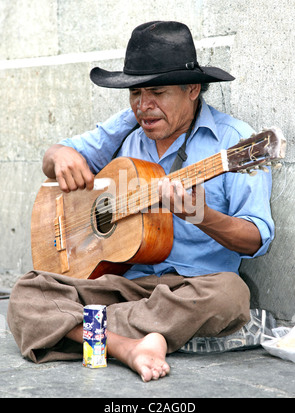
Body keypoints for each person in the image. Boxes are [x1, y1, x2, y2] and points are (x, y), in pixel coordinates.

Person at [7, 21, 274, 382]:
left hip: (194, 287)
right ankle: (130, 344)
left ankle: (88, 331)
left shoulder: (234, 143)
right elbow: (58, 155)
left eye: (158, 93)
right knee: (26, 293)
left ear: (192, 88)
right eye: (135, 93)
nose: (144, 106)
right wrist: (59, 156)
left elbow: (256, 239)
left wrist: (203, 217)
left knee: (231, 295)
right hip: (126, 285)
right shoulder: (128, 126)